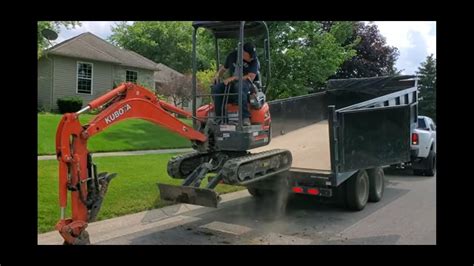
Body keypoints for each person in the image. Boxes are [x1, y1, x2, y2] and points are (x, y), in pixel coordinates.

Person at [212, 42, 259, 126]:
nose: (252, 58)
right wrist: (217, 76)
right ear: (243, 53)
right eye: (250, 56)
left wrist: (234, 78)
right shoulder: (232, 56)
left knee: (239, 86)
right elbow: (223, 68)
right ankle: (220, 118)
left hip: (247, 84)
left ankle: (245, 118)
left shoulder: (254, 61)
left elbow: (250, 77)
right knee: (216, 88)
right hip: (232, 84)